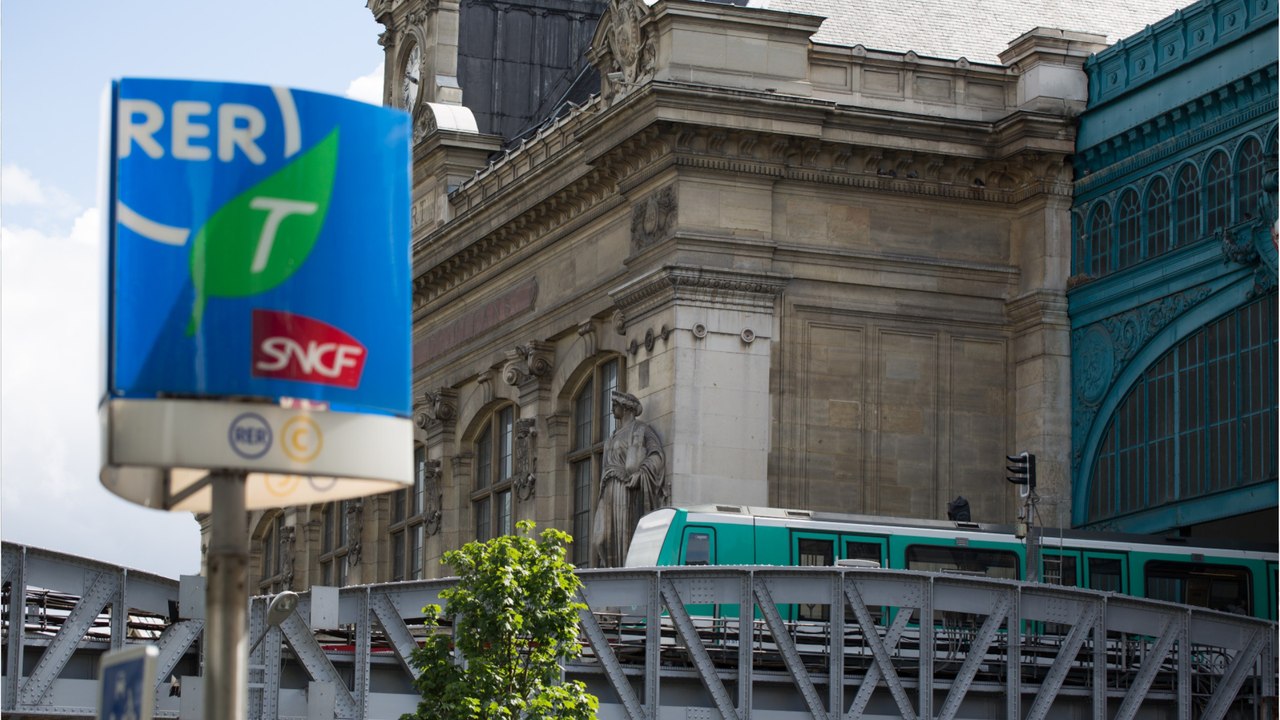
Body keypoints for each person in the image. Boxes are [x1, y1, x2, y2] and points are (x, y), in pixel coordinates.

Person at [591, 390, 666, 567]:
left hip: (626, 490)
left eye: (615, 404)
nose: (612, 407)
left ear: (626, 408)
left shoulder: (641, 430)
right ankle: (610, 569)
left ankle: (623, 570)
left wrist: (641, 473)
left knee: (623, 536)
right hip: (608, 489)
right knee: (600, 538)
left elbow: (657, 455)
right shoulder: (613, 436)